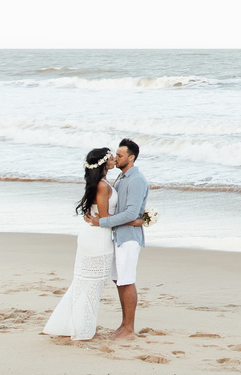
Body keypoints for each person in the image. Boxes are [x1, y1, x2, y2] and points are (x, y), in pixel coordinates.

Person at [42, 148, 142, 340]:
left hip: (96, 236)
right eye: (111, 157)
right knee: (91, 286)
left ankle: (75, 326)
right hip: (97, 238)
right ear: (104, 163)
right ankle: (82, 329)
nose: (114, 159)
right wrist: (135, 221)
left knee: (85, 284)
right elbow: (104, 217)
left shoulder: (103, 183)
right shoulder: (103, 186)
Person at [88, 137, 150, 341]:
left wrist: (103, 223)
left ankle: (129, 329)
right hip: (118, 236)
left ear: (131, 158)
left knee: (127, 280)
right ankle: (124, 324)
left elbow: (132, 212)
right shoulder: (121, 178)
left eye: (120, 155)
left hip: (129, 239)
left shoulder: (136, 179)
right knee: (119, 281)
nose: (116, 158)